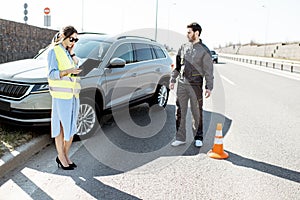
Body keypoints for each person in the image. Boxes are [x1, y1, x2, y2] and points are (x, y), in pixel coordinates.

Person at [169, 22, 214, 148]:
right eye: (187, 32)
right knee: (179, 112)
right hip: (182, 84)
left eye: (189, 32)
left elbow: (208, 71)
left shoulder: (204, 50)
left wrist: (209, 87)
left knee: (196, 112)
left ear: (196, 33)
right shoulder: (183, 47)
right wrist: (173, 80)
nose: (187, 34)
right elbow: (177, 67)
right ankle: (180, 138)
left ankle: (198, 137)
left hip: (196, 86)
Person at [47, 26, 82, 170]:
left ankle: (64, 155)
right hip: (61, 96)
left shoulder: (68, 52)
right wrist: (69, 71)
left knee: (71, 127)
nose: (74, 42)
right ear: (64, 36)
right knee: (61, 127)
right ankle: (62, 157)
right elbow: (52, 74)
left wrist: (72, 53)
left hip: (73, 95)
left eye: (76, 39)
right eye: (72, 39)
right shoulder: (53, 51)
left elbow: (77, 64)